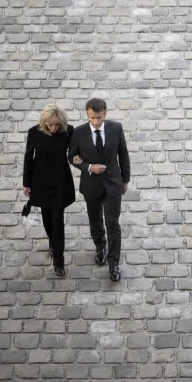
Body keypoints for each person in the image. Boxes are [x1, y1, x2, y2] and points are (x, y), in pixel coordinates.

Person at [67, 98, 130, 282]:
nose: (96, 122)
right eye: (93, 118)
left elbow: (123, 155)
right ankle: (100, 246)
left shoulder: (116, 129)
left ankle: (113, 264)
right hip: (91, 185)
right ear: (87, 114)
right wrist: (88, 167)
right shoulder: (79, 133)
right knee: (95, 221)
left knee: (113, 223)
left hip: (113, 184)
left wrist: (125, 180)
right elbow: (72, 156)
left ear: (105, 114)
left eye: (99, 118)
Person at [23, 104, 76, 278]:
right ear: (44, 122)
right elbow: (28, 159)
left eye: (56, 125)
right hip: (40, 182)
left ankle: (59, 263)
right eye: (50, 125)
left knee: (58, 222)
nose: (53, 128)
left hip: (60, 182)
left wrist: (78, 157)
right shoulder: (34, 133)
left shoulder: (69, 132)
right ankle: (52, 243)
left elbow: (75, 152)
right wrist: (26, 184)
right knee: (47, 220)